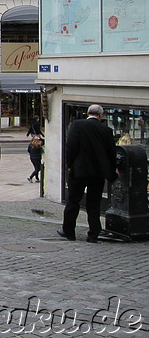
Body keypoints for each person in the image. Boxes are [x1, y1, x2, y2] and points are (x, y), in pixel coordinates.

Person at [58, 104, 117, 243]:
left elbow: (71, 146)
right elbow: (111, 153)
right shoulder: (106, 130)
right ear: (100, 115)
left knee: (73, 201)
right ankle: (93, 233)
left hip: (80, 170)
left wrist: (70, 164)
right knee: (94, 205)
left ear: (87, 113)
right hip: (98, 173)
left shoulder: (77, 125)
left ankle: (69, 231)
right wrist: (111, 171)